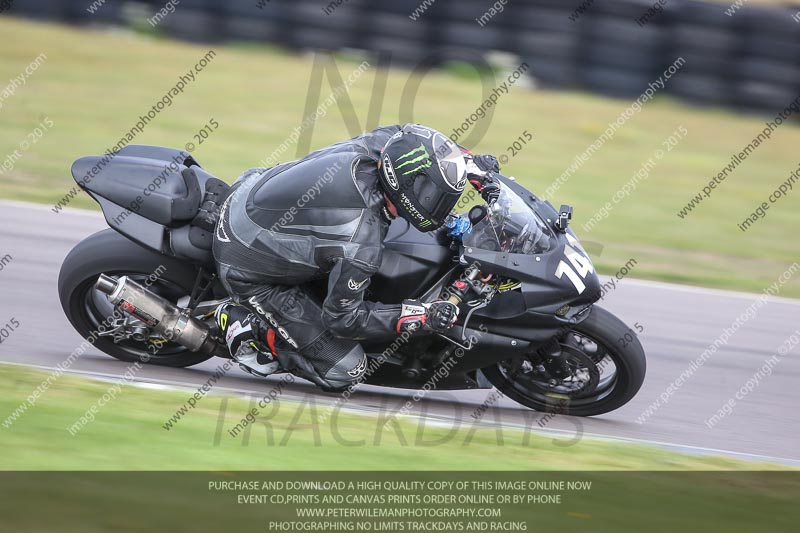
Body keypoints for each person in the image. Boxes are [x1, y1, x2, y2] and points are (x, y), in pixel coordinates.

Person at [212, 123, 501, 391]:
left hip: (252, 186)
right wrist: (423, 315)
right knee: (346, 370)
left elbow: (421, 141)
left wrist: (474, 168)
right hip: (243, 264)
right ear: (404, 184)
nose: (439, 205)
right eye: (431, 195)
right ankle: (247, 326)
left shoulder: (385, 146)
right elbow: (343, 319)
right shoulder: (361, 241)